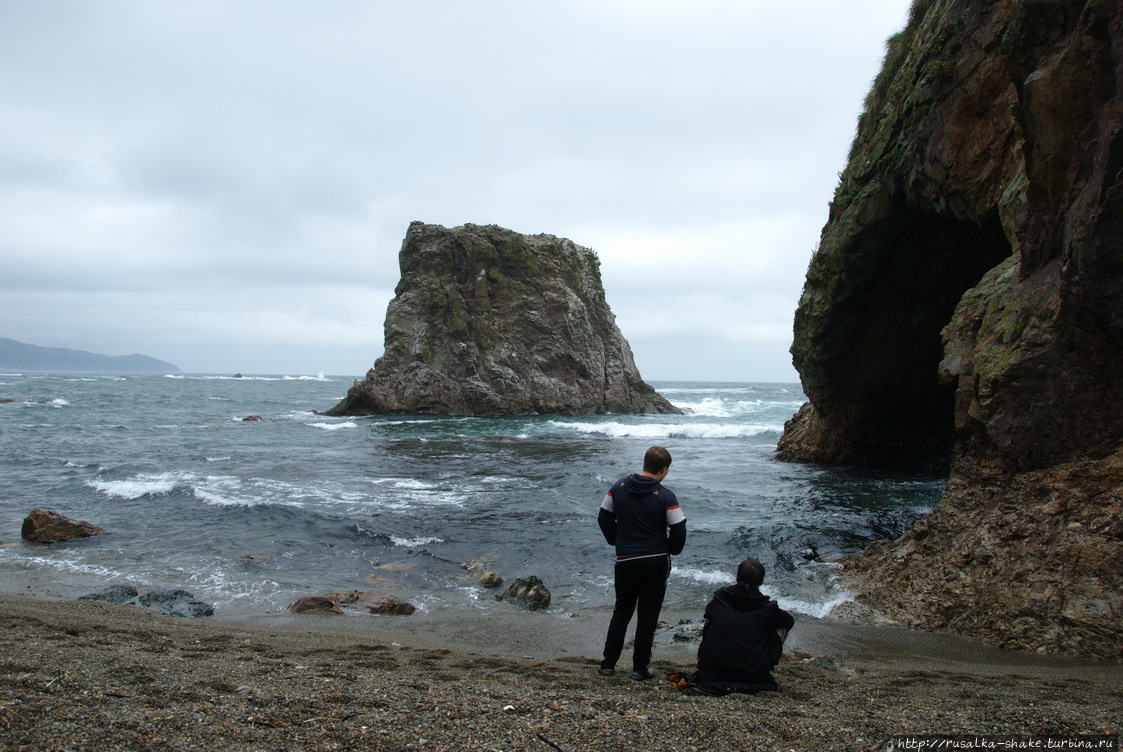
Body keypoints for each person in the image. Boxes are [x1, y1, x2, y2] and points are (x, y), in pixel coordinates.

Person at [597, 445, 686, 680]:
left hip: (625, 559)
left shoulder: (618, 487)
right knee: (648, 615)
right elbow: (678, 530)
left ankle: (608, 663)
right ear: (664, 469)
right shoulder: (666, 496)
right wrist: (671, 550)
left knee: (622, 611)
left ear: (645, 463)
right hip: (656, 561)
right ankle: (639, 668)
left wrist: (615, 540)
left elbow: (603, 516)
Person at [678, 557, 794, 694]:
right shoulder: (767, 608)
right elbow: (789, 622)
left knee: (711, 616)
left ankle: (713, 659)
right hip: (752, 670)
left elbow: (708, 614)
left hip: (712, 667)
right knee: (779, 624)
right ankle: (763, 663)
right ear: (761, 581)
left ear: (737, 577)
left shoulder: (720, 598)